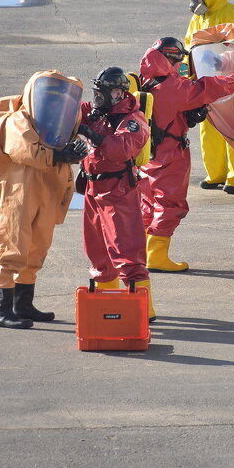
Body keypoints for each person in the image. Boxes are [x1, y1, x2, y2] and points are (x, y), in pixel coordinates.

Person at [0, 70, 90, 329]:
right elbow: (26, 151)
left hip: (45, 187)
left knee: (37, 246)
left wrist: (73, 150)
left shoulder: (62, 121)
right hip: (17, 190)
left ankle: (23, 305)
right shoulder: (18, 120)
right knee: (12, 244)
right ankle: (3, 310)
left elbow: (62, 144)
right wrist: (60, 156)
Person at [137, 36, 234, 272]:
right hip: (170, 155)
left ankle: (144, 252)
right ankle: (157, 256)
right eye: (178, 61)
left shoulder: (146, 79)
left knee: (149, 204)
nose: (181, 66)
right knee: (170, 205)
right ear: (170, 59)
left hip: (147, 155)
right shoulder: (173, 87)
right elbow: (211, 88)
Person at [78, 67, 156, 319]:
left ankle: (143, 309)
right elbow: (73, 111)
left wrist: (91, 133)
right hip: (93, 189)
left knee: (127, 250)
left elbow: (120, 149)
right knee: (97, 250)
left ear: (116, 93)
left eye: (101, 95)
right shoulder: (98, 113)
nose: (96, 99)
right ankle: (105, 301)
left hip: (118, 190)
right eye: (95, 94)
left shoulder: (133, 120)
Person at [184, 0, 234, 194]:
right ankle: (216, 174)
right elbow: (190, 43)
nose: (193, 1)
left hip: (229, 82)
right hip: (206, 82)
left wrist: (224, 61)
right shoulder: (199, 18)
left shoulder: (232, 15)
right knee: (209, 128)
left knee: (231, 129)